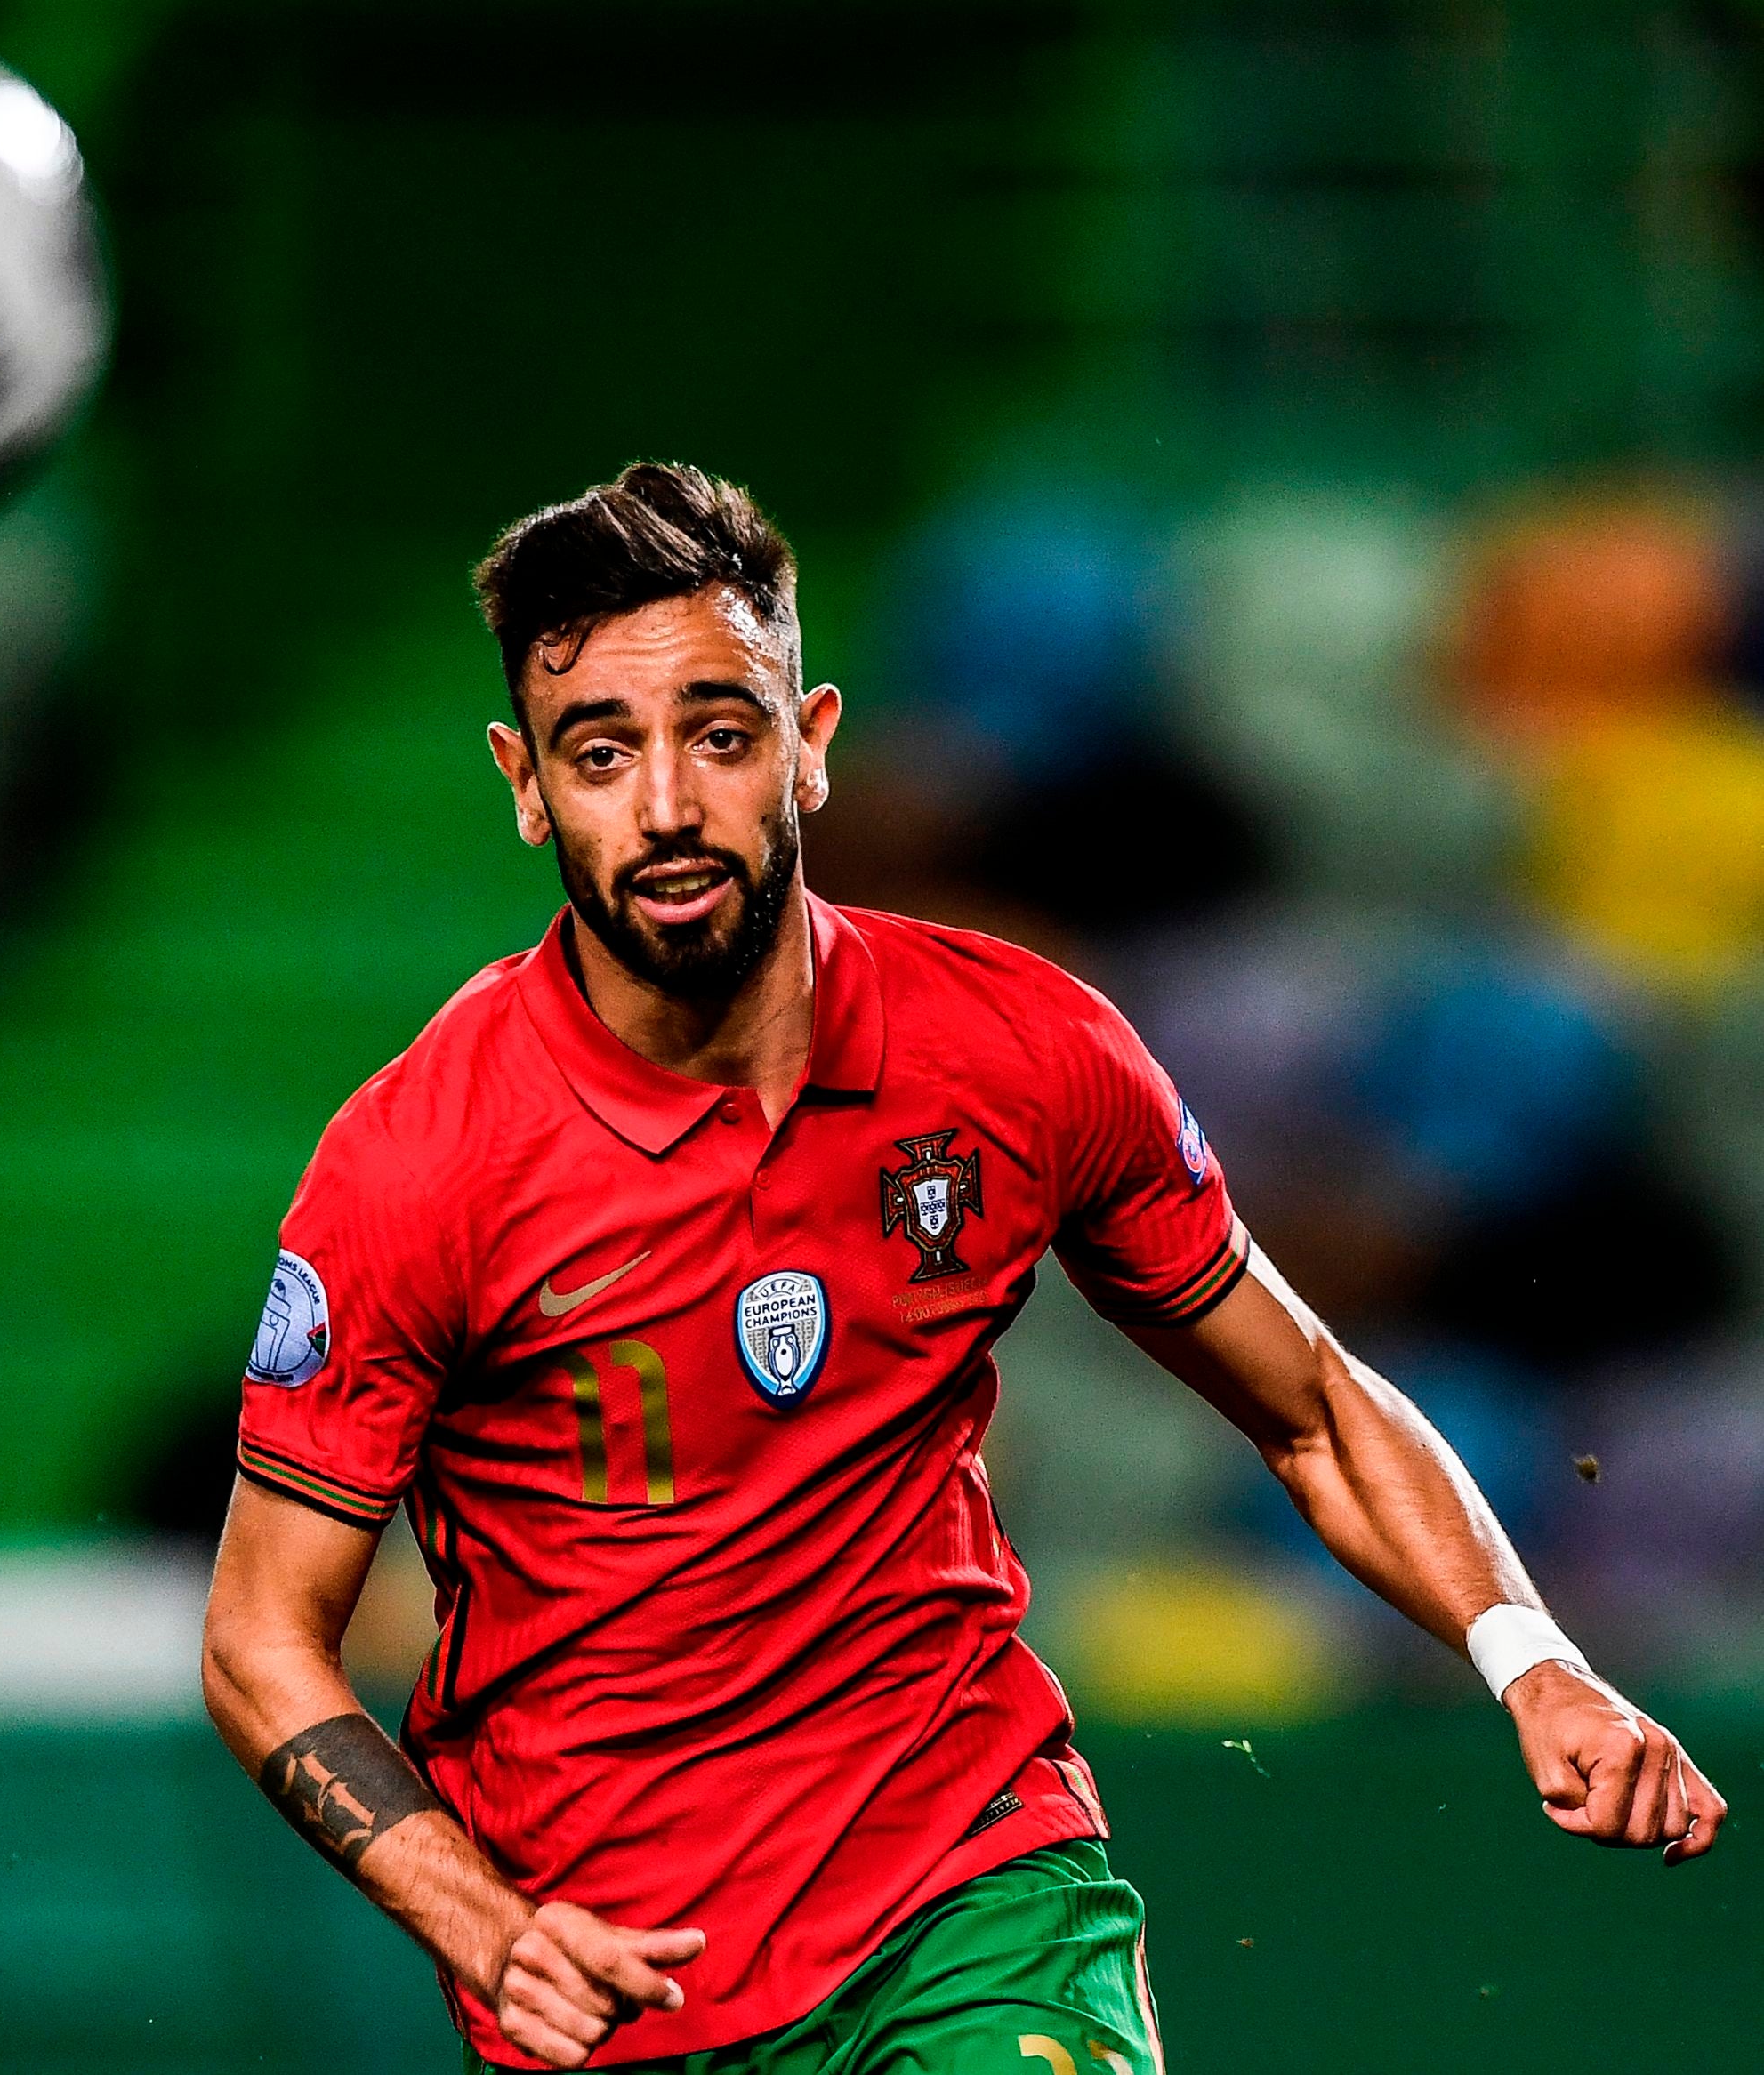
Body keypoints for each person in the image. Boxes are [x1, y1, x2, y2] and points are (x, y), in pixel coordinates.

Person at [197, 462, 1726, 2074]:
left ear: (814, 744)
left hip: (971, 1885)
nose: (663, 805)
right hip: (617, 1979)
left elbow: (1314, 1409)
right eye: (601, 752)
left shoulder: (1022, 1048)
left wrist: (1534, 1662)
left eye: (720, 733)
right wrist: (481, 1918)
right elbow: (260, 1639)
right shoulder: (421, 1158)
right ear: (525, 784)